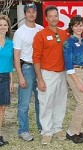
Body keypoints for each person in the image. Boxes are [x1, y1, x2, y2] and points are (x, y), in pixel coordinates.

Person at [32, 5, 68, 145]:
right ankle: (46, 131)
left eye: (56, 15)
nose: (54, 18)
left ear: (59, 17)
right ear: (46, 18)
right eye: (51, 16)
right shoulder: (40, 35)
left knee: (60, 102)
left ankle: (57, 128)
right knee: (46, 103)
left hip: (62, 73)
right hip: (47, 74)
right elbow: (36, 57)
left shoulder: (64, 33)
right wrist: (40, 79)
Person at [13, 3, 43, 141]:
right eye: (29, 11)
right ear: (25, 14)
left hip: (40, 68)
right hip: (26, 68)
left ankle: (42, 126)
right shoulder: (20, 32)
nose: (31, 14)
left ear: (36, 14)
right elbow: (16, 56)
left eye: (34, 11)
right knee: (24, 102)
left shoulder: (41, 29)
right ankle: (23, 130)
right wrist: (20, 76)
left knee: (40, 100)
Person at [64, 15, 83, 144]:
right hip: (74, 73)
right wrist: (77, 80)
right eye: (76, 25)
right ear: (71, 27)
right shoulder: (68, 43)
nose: (79, 27)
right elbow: (68, 64)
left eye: (81, 25)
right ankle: (71, 132)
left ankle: (79, 130)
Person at [0, 14, 13, 147]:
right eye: (0, 25)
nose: (2, 27)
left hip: (4, 77)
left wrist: (10, 81)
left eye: (5, 25)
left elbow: (10, 64)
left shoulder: (10, 43)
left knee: (2, 107)